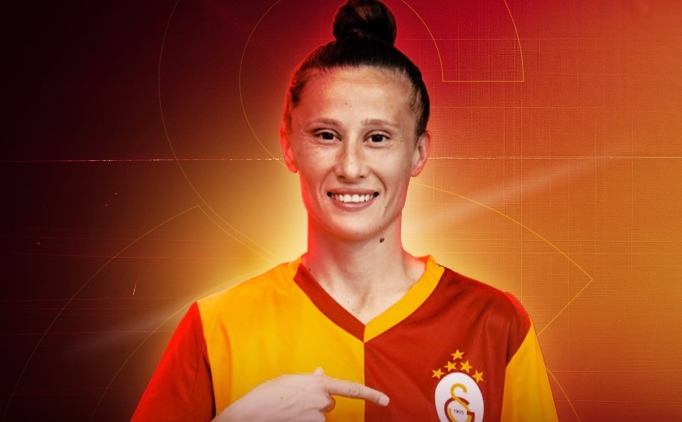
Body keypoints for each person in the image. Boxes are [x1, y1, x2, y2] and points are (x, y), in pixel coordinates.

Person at [132, 0, 558, 421]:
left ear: (418, 153)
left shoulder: (497, 324)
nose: (351, 167)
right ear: (288, 144)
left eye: (378, 138)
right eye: (326, 135)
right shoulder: (216, 326)